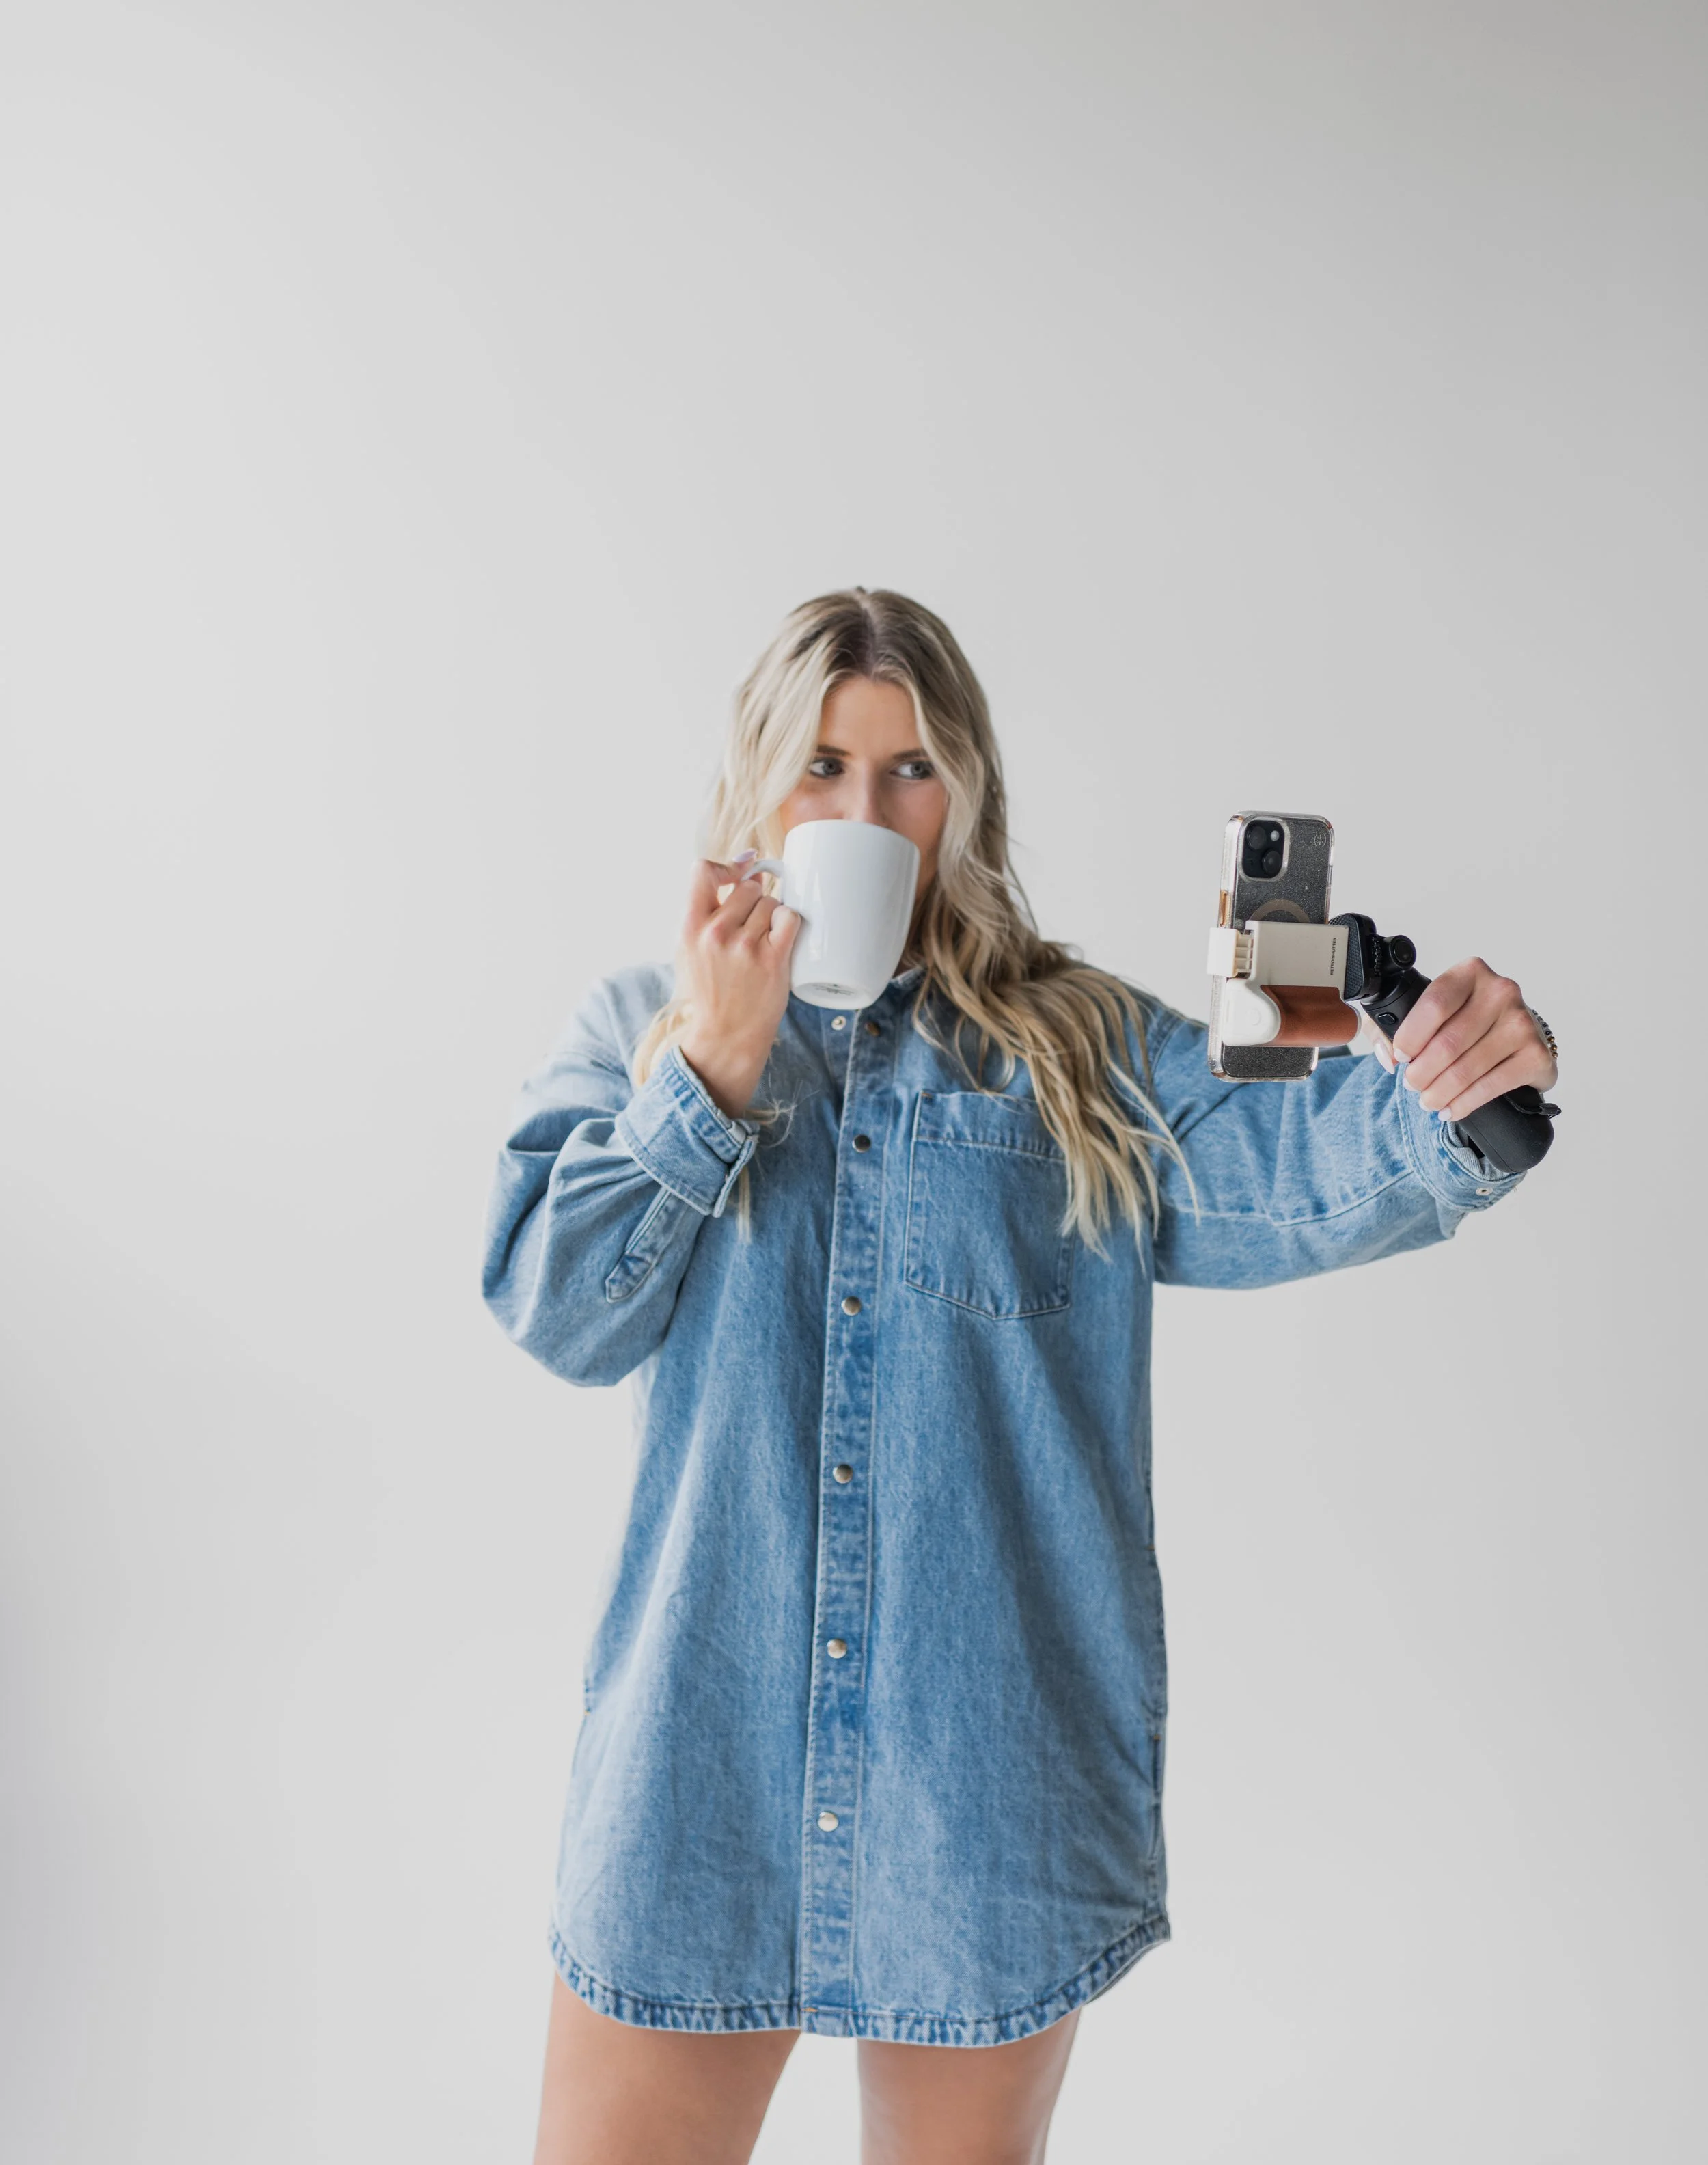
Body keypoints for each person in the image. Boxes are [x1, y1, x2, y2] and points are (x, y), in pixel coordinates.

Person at [481, 588, 1557, 2165]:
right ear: (755, 789)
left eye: (908, 770)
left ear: (963, 792)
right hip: (693, 1775)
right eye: (821, 769)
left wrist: (1461, 1094)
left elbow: (1300, 1167)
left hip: (978, 1784)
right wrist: (711, 1073)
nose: (864, 812)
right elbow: (555, 1308)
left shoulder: (1083, 1049)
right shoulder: (644, 1027)